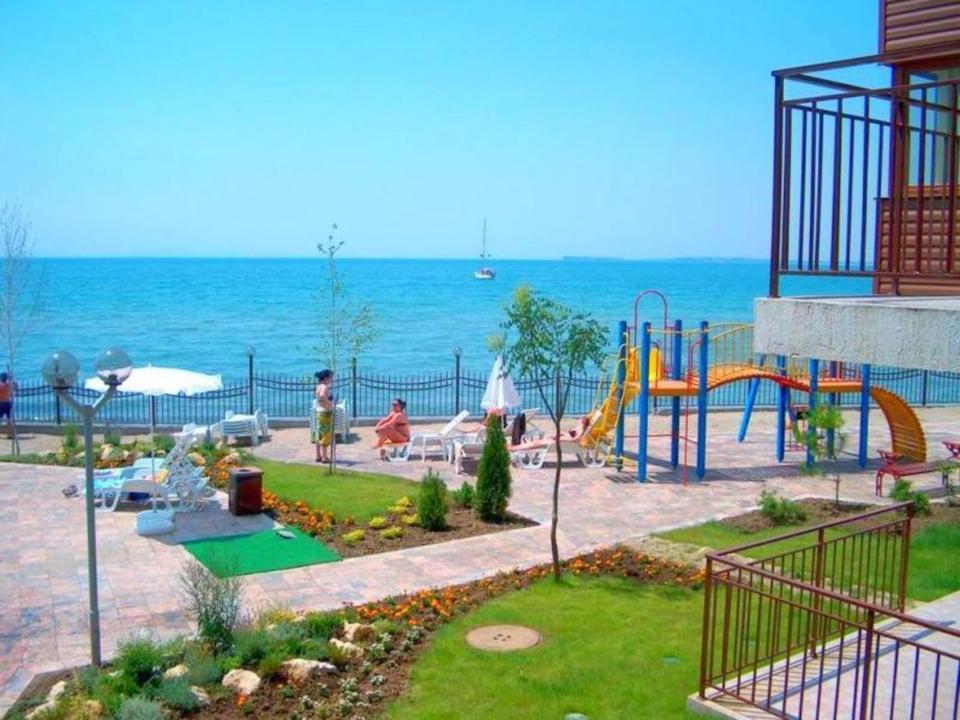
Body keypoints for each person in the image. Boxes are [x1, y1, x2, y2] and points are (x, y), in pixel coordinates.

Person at [509, 414, 592, 452]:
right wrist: (557, 435)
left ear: (583, 422)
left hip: (559, 442)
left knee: (536, 443)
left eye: (582, 418)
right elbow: (568, 434)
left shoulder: (581, 430)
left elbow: (574, 439)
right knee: (536, 442)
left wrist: (560, 438)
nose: (580, 418)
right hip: (558, 439)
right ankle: (515, 447)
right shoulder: (579, 427)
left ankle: (514, 448)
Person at [312, 369, 335, 462]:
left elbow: (319, 397)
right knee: (326, 434)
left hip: (319, 412)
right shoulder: (324, 387)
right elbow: (322, 396)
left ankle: (318, 455)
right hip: (325, 413)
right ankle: (325, 457)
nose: (332, 379)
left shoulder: (318, 386)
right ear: (326, 378)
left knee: (319, 433)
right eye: (331, 377)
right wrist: (329, 403)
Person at [0, 372, 14, 438]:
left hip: (1, 404)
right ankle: (9, 434)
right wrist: (11, 379)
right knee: (9, 420)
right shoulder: (9, 385)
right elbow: (15, 387)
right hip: (8, 403)